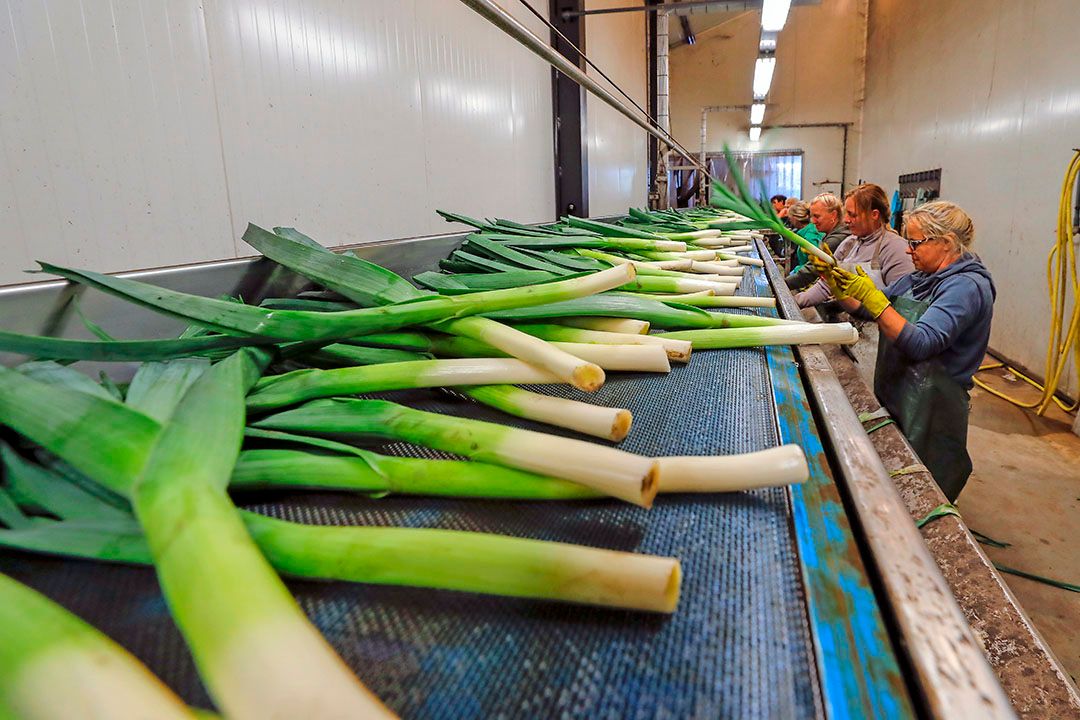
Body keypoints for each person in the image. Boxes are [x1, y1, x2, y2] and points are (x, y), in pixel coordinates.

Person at [811, 201, 995, 501]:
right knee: (896, 470)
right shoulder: (919, 278)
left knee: (924, 483)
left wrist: (877, 301)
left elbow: (922, 343)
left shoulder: (965, 287)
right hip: (901, 390)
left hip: (934, 404)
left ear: (946, 243)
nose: (908, 250)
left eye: (915, 243)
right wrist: (838, 285)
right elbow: (868, 309)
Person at [796, 183, 913, 309]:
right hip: (849, 321)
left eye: (852, 215)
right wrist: (793, 302)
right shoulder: (849, 244)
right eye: (846, 213)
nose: (846, 220)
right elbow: (826, 285)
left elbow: (902, 305)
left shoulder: (895, 249)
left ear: (874, 214)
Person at [786, 192, 848, 290]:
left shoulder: (836, 239)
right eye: (811, 216)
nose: (813, 221)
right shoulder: (828, 234)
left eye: (817, 216)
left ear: (833, 215)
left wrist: (783, 284)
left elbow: (812, 269)